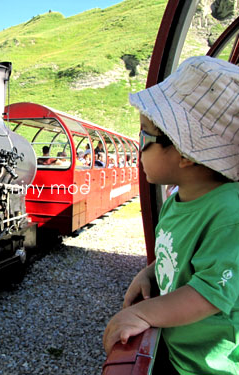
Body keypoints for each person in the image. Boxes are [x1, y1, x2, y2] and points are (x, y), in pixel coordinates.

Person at [103, 56, 239, 374]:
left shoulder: (229, 214)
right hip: (177, 350)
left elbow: (208, 293)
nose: (139, 149)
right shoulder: (177, 200)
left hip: (206, 368)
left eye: (145, 137)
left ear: (186, 153)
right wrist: (149, 274)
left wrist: (144, 314)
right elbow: (178, 253)